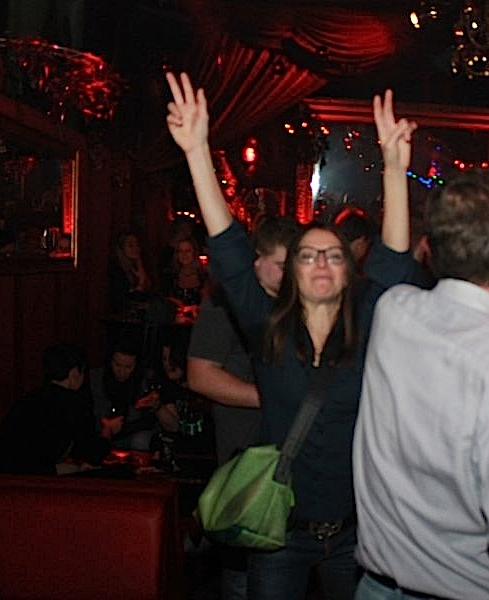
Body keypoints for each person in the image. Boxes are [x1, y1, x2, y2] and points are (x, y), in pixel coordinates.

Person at [166, 72, 417, 600]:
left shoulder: (366, 326)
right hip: (280, 534)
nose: (321, 262)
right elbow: (230, 252)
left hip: (356, 535)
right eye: (308, 255)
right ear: (292, 274)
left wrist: (395, 168)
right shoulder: (269, 329)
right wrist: (196, 151)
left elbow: (394, 261)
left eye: (333, 255)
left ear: (348, 272)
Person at [353, 170, 489, 599]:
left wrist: (394, 165)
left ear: (429, 249)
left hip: (374, 587)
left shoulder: (393, 313)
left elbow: (390, 264)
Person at [187, 216, 300, 600]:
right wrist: (272, 396)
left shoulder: (297, 305)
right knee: (242, 579)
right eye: (282, 265)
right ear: (256, 260)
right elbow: (200, 376)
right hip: (244, 461)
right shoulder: (224, 304)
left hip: (289, 466)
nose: (290, 274)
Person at [0, 342, 118, 475]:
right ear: (74, 373)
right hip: (28, 477)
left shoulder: (29, 399)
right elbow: (93, 454)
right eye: (83, 372)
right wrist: (108, 430)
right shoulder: (74, 405)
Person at [108, 231, 153, 313]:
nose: (136, 248)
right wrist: (141, 284)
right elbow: (122, 301)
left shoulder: (137, 267)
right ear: (122, 249)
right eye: (131, 245)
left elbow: (149, 295)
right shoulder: (116, 270)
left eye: (137, 245)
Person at [161, 236, 208, 306]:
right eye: (180, 251)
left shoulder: (203, 274)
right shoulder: (171, 274)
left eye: (188, 251)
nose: (184, 254)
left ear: (194, 252)